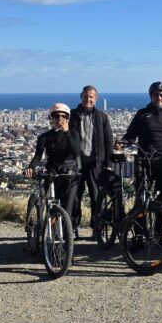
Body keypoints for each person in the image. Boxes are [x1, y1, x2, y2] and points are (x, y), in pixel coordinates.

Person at [120, 82, 162, 223]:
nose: (159, 97)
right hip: (143, 163)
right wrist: (123, 142)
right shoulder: (142, 114)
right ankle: (139, 233)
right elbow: (131, 134)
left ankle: (158, 234)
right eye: (156, 95)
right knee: (140, 200)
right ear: (151, 96)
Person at [25, 103, 82, 246]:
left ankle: (66, 248)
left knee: (67, 212)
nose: (60, 119)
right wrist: (31, 167)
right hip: (52, 174)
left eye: (64, 116)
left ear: (68, 118)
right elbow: (38, 156)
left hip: (69, 175)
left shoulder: (73, 133)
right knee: (51, 209)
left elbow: (76, 152)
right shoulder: (45, 137)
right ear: (51, 118)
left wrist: (67, 132)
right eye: (56, 116)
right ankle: (48, 240)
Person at [68, 86, 114, 235]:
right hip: (76, 164)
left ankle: (97, 227)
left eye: (91, 97)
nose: (88, 99)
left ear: (96, 99)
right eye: (86, 96)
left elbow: (108, 141)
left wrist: (108, 164)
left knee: (97, 196)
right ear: (81, 96)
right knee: (75, 196)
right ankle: (73, 227)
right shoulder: (71, 115)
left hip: (95, 163)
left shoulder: (102, 117)